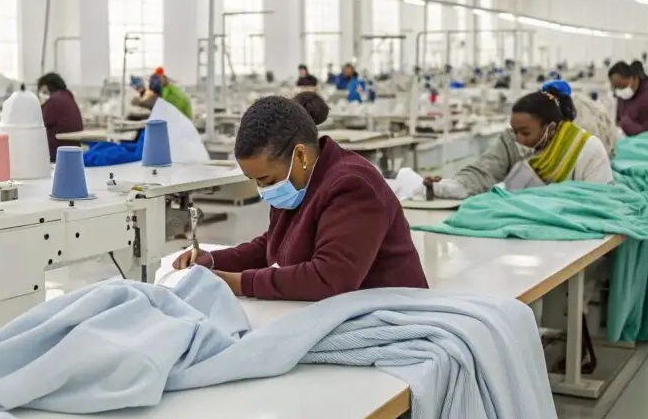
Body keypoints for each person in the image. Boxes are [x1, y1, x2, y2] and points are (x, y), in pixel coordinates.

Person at [172, 91, 428, 300]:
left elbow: (329, 277)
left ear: (301, 155)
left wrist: (235, 283)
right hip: (350, 307)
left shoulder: (352, 185)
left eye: (266, 180)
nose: (263, 190)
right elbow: (273, 244)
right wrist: (215, 260)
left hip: (394, 311)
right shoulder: (300, 180)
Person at [423, 83, 612, 198]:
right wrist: (448, 187)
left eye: (526, 133)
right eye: (515, 131)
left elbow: (596, 202)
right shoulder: (512, 142)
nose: (519, 139)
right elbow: (484, 170)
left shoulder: (586, 149)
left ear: (550, 128)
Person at [609, 60, 648, 135]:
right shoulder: (622, 98)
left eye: (622, 86)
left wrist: (626, 125)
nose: (619, 91)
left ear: (634, 78)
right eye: (615, 87)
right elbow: (618, 122)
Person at [37, 72, 83, 161]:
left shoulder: (54, 100)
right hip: (73, 147)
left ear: (46, 87)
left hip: (57, 150)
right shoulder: (67, 97)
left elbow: (39, 120)